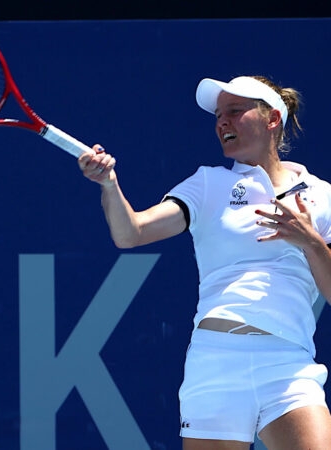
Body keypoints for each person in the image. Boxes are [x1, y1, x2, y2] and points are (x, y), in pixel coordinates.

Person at [78, 75, 331, 450]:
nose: (222, 122)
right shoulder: (207, 185)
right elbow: (130, 233)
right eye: (217, 116)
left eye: (234, 111)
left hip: (287, 364)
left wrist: (309, 240)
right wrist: (109, 184)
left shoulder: (323, 196)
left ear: (272, 118)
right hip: (216, 360)